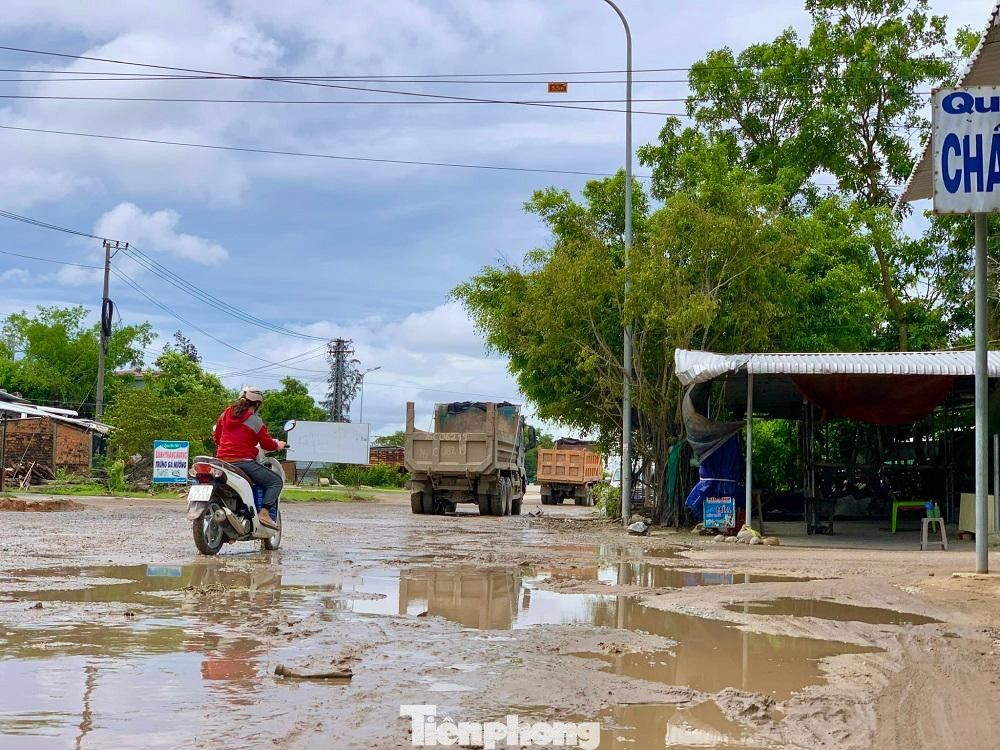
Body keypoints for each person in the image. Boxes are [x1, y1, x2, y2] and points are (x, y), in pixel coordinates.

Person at [212, 386, 285, 529]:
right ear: (257, 404)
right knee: (276, 482)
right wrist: (278, 445)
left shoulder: (225, 414)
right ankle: (264, 513)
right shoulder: (255, 421)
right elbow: (267, 444)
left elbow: (217, 438)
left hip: (221, 462)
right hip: (243, 463)